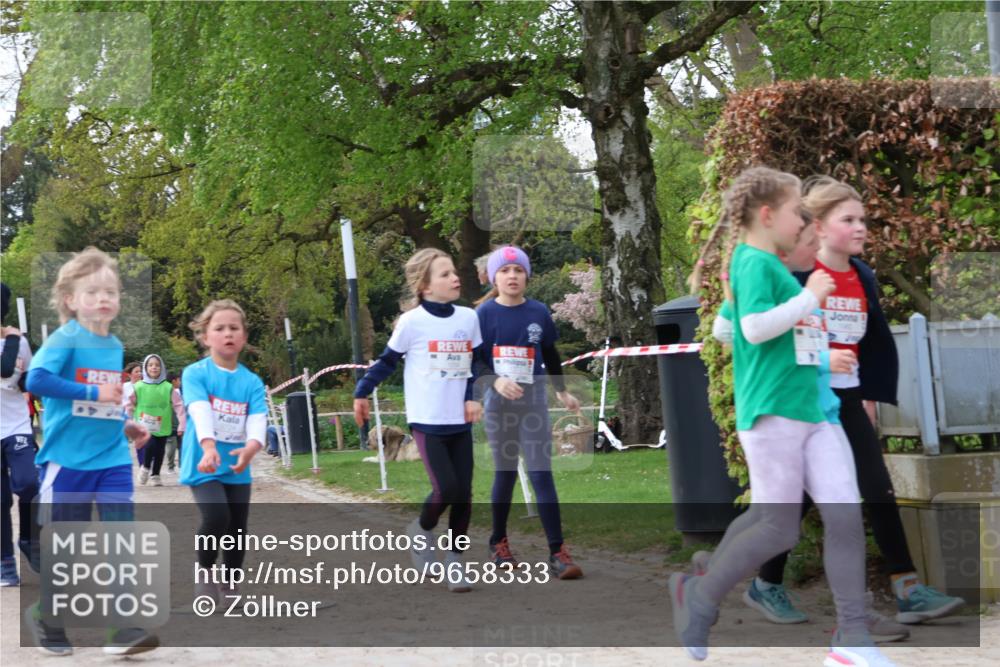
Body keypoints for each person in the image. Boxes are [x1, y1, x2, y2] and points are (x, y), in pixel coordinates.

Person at [671, 167, 894, 666]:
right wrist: (809, 299)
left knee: (844, 517)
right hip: (772, 413)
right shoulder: (754, 263)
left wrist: (809, 345)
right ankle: (699, 598)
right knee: (778, 529)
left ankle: (853, 636)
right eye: (799, 213)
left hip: (820, 411)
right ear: (769, 216)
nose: (804, 224)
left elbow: (743, 334)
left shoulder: (772, 265)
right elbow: (748, 330)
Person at [745, 176, 962, 626]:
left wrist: (867, 394)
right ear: (819, 228)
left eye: (862, 219)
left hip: (844, 399)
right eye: (849, 220)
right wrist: (825, 358)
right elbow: (772, 341)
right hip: (798, 401)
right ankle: (766, 584)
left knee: (876, 485)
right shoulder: (793, 276)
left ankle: (907, 590)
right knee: (798, 496)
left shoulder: (862, 276)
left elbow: (871, 342)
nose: (861, 227)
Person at [706, 213, 912, 643]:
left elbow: (816, 341)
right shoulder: (778, 277)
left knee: (844, 512)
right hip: (786, 412)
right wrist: (817, 349)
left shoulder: (830, 279)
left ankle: (853, 618)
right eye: (810, 240)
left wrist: (851, 385)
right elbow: (732, 331)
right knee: (779, 520)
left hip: (827, 412)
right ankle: (708, 586)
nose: (816, 249)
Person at [24, 247, 158, 656]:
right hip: (68, 462)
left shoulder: (114, 344)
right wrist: (92, 390)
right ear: (70, 300)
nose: (104, 299)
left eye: (111, 292)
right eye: (93, 291)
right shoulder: (65, 338)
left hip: (113, 457)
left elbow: (102, 402)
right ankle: (47, 616)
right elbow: (37, 379)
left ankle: (123, 629)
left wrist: (125, 424)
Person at [353, 248, 483, 593]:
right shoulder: (412, 322)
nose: (455, 278)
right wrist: (362, 391)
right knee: (447, 489)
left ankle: (454, 562)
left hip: (461, 420)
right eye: (445, 274)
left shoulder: (468, 318)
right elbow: (386, 362)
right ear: (424, 286)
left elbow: (478, 365)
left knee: (465, 494)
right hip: (427, 421)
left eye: (454, 272)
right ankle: (421, 531)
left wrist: (473, 397)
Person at [475, 246, 583, 579]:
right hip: (499, 405)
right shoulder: (484, 315)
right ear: (494, 277)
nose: (512, 276)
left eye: (518, 271)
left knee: (540, 474)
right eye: (505, 271)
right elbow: (475, 359)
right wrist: (495, 381)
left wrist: (562, 390)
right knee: (505, 474)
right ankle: (499, 543)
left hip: (533, 402)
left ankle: (558, 552)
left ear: (527, 276)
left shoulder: (538, 312)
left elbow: (549, 352)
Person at [179, 299, 268, 604]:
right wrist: (208, 447)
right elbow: (200, 410)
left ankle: (230, 585)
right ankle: (205, 573)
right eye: (219, 328)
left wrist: (251, 449)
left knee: (237, 528)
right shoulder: (195, 373)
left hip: (236, 466)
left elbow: (258, 420)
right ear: (205, 337)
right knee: (217, 516)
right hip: (203, 463)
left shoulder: (252, 382)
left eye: (234, 328)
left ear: (243, 337)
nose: (227, 333)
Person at [1, 283, 40, 587]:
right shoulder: (14, 339)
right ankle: (5, 563)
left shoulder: (19, 342)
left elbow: (27, 379)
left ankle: (28, 538)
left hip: (17, 426)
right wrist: (13, 338)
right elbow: (3, 370)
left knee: (29, 484)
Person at [130, 355, 185, 486]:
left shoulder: (168, 387)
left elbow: (179, 405)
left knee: (160, 450)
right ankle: (145, 467)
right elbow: (129, 404)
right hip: (143, 425)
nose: (154, 367)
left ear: (162, 368)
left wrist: (182, 424)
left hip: (163, 424)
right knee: (150, 444)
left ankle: (156, 474)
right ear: (145, 368)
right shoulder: (138, 386)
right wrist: (127, 420)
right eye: (150, 365)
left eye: (157, 365)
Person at [163, 371, 186, 473]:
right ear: (174, 381)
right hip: (174, 421)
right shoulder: (174, 392)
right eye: (179, 380)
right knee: (177, 444)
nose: (180, 382)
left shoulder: (164, 390)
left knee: (172, 443)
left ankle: (172, 467)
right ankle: (179, 466)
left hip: (171, 422)